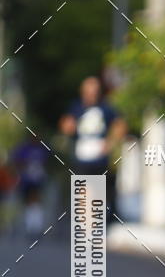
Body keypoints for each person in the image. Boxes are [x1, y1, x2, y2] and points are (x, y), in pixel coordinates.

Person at [59, 76, 127, 223]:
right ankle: (86, 228)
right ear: (83, 92)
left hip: (100, 159)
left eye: (95, 91)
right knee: (83, 193)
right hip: (81, 157)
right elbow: (65, 125)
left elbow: (119, 125)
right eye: (89, 91)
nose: (92, 94)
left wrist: (110, 143)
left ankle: (94, 227)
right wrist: (68, 126)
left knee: (97, 194)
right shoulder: (76, 107)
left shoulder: (106, 107)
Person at [11, 136, 48, 235]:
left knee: (36, 202)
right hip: (27, 180)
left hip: (38, 179)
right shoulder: (24, 149)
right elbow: (17, 160)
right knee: (29, 203)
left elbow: (46, 162)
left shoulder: (42, 149)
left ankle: (35, 226)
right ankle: (31, 226)